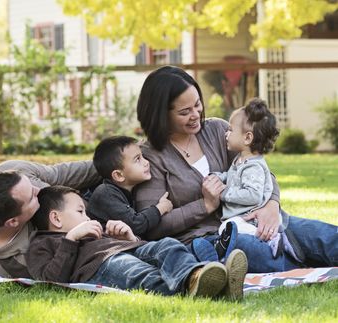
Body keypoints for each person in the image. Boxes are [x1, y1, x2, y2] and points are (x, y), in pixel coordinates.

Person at [134, 65, 338, 273]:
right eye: (185, 112)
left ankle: (298, 252)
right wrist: (205, 205)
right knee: (250, 250)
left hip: (254, 217)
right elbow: (152, 226)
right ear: (160, 114)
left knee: (321, 235)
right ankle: (300, 264)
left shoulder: (218, 130)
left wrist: (271, 205)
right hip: (211, 239)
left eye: (197, 105)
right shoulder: (147, 157)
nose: (196, 114)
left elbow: (259, 170)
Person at [27, 185, 248, 299]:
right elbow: (51, 280)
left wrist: (130, 239)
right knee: (143, 275)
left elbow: (129, 246)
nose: (88, 218)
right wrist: (70, 239)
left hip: (129, 249)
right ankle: (212, 289)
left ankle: (194, 276)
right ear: (56, 218)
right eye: (80, 211)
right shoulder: (42, 243)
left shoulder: (91, 232)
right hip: (103, 265)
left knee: (168, 245)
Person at [209, 98, 304, 263]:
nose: (226, 133)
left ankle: (274, 239)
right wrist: (219, 177)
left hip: (252, 218)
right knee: (228, 228)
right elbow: (232, 176)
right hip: (244, 216)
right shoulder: (241, 159)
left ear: (247, 138)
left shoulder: (253, 167)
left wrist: (223, 193)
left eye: (230, 130)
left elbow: (252, 195)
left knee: (228, 228)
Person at [0, 160, 101, 278]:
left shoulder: (11, 174)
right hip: (102, 218)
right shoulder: (21, 262)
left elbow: (66, 173)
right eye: (32, 196)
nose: (38, 189)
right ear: (13, 222)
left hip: (91, 188)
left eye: (31, 186)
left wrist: (112, 161)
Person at [87, 136, 173, 236]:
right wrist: (160, 208)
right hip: (108, 248)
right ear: (119, 175)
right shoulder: (106, 193)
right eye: (137, 159)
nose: (146, 162)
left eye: (143, 157)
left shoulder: (127, 190)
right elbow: (135, 225)